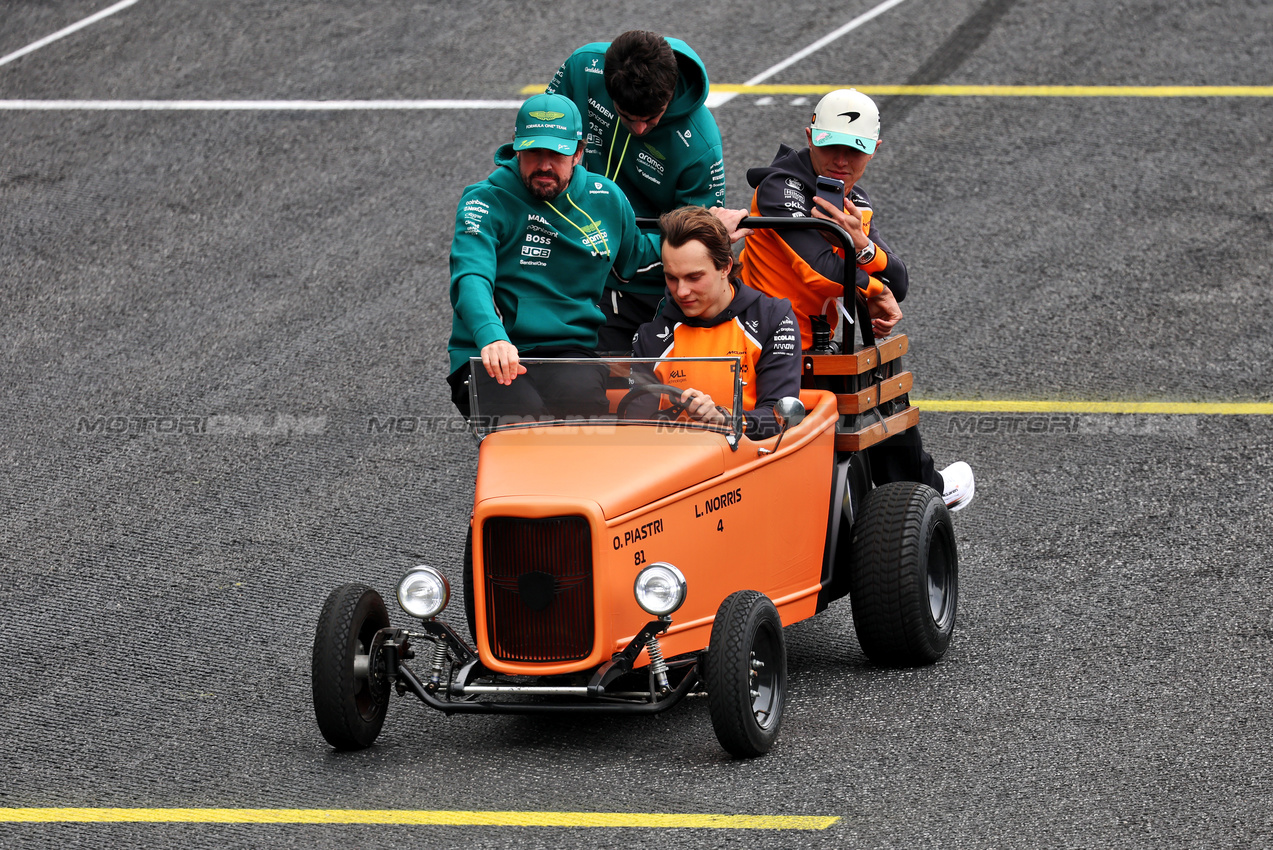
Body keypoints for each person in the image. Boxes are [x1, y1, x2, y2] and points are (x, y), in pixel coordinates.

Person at [738, 89, 974, 510]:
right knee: (873, 388)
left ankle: (912, 496)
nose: (841, 162)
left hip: (818, 346)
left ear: (874, 150)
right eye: (831, 146)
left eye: (855, 150)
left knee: (880, 389)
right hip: (771, 349)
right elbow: (820, 271)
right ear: (810, 135)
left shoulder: (854, 201)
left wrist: (864, 245)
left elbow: (898, 278)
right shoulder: (780, 189)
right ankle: (922, 493)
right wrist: (875, 288)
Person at [447, 93, 748, 422]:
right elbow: (471, 276)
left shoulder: (605, 199)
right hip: (488, 351)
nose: (544, 165)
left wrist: (707, 234)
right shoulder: (484, 201)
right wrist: (492, 337)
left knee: (586, 419)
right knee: (522, 422)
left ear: (578, 152)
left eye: (557, 153)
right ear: (517, 148)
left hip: (567, 349)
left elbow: (639, 257)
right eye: (534, 152)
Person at [547, 30, 726, 352]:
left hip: (645, 287)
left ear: (669, 94)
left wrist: (618, 246)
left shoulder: (701, 145)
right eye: (628, 118)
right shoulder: (581, 68)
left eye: (652, 118)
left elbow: (695, 240)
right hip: (573, 265)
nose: (641, 129)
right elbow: (540, 148)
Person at [632, 206, 800, 440]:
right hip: (670, 462)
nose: (681, 291)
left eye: (694, 277)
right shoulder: (651, 335)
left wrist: (723, 418)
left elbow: (780, 419)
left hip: (747, 463)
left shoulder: (772, 319)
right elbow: (637, 428)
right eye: (671, 278)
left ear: (725, 267)